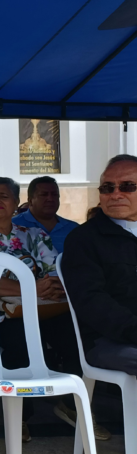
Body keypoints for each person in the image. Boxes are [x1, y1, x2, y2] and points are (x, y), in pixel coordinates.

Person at [0, 177, 106, 442]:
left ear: (16, 203)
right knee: (20, 346)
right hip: (0, 315)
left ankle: (73, 407)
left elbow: (53, 272)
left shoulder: (33, 234)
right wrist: (32, 287)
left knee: (76, 340)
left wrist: (44, 288)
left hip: (43, 309)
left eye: (4, 196)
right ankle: (20, 417)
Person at [62, 154, 137, 377]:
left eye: (128, 186)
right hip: (108, 340)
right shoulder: (83, 239)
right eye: (107, 188)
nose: (116, 194)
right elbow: (91, 301)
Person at [13, 176, 79, 253]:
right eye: (44, 194)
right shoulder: (13, 225)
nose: (50, 199)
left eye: (54, 194)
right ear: (30, 200)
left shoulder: (74, 229)